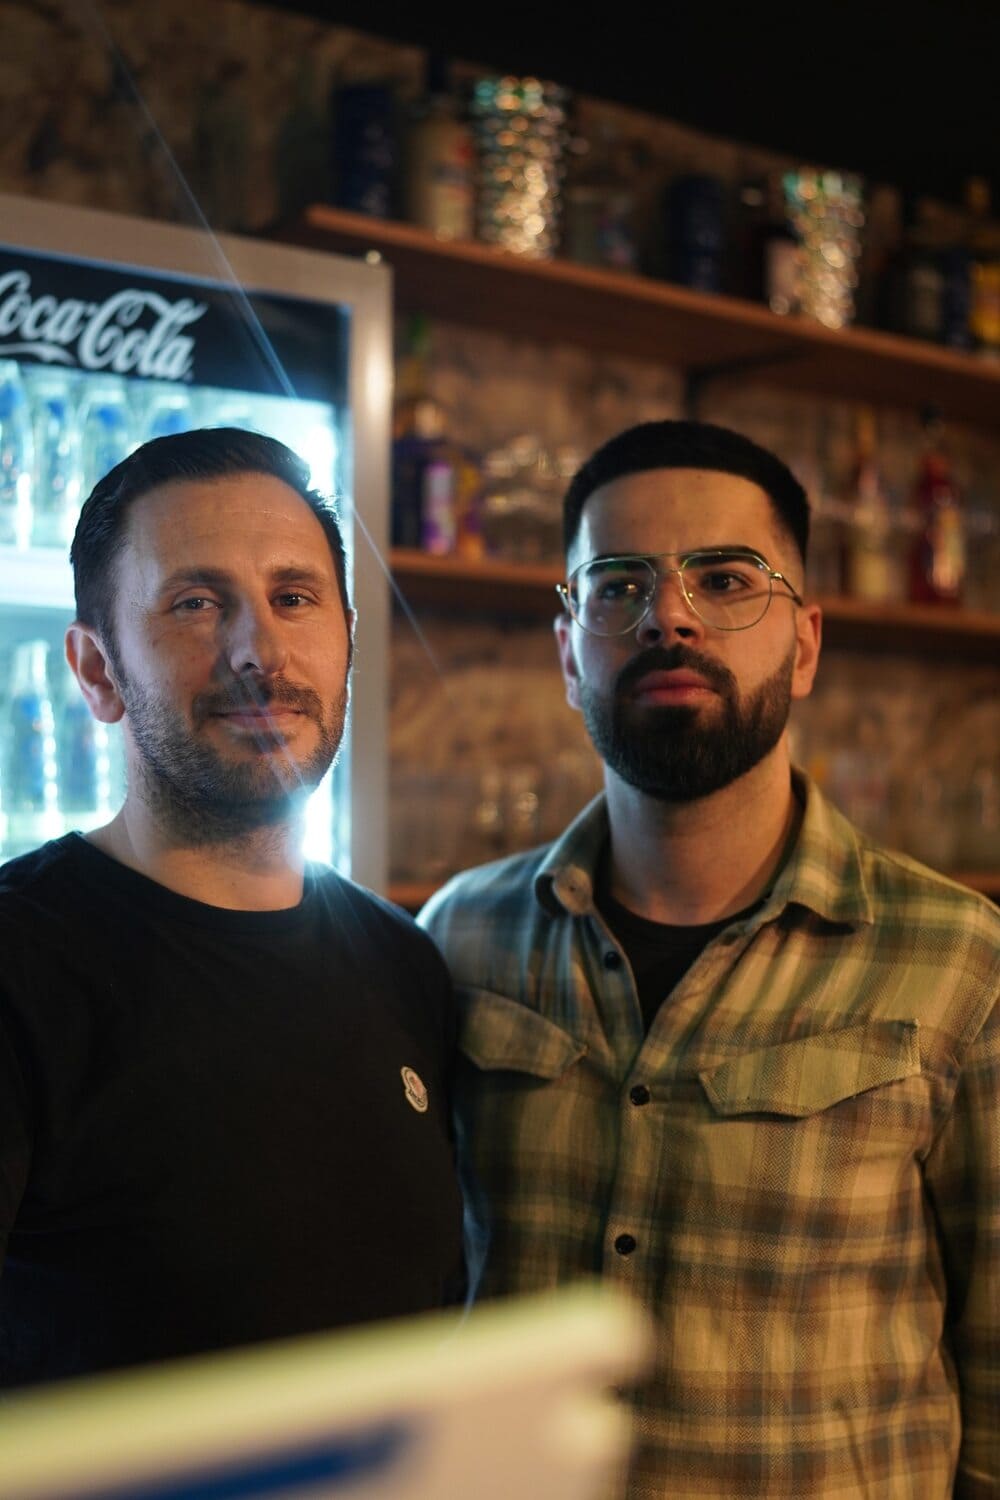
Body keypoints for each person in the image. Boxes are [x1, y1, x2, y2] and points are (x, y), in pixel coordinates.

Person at [420, 419, 999, 1499]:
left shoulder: (962, 961)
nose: (667, 616)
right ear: (568, 649)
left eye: (725, 579)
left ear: (806, 645)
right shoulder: (459, 939)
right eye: (619, 585)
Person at [0, 428, 464, 1388]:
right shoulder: (20, 964)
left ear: (347, 643)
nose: (260, 650)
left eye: (294, 598)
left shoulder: (404, 961)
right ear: (96, 671)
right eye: (196, 603)